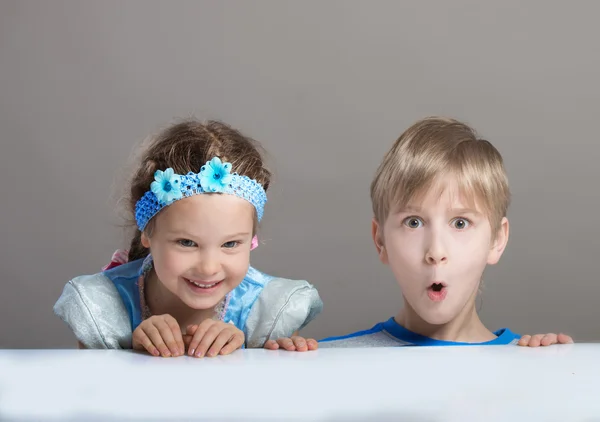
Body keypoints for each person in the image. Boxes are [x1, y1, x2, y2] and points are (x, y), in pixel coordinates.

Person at [268, 117, 572, 350]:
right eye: (414, 222)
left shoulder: (534, 364)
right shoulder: (332, 361)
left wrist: (559, 378)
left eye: (460, 223)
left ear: (497, 240)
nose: (435, 251)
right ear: (380, 240)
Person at [54, 119, 322, 357]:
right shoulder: (102, 308)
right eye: (186, 243)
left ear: (251, 238)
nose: (208, 267)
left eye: (230, 244)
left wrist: (273, 353)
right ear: (147, 231)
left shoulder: (269, 313)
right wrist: (128, 354)